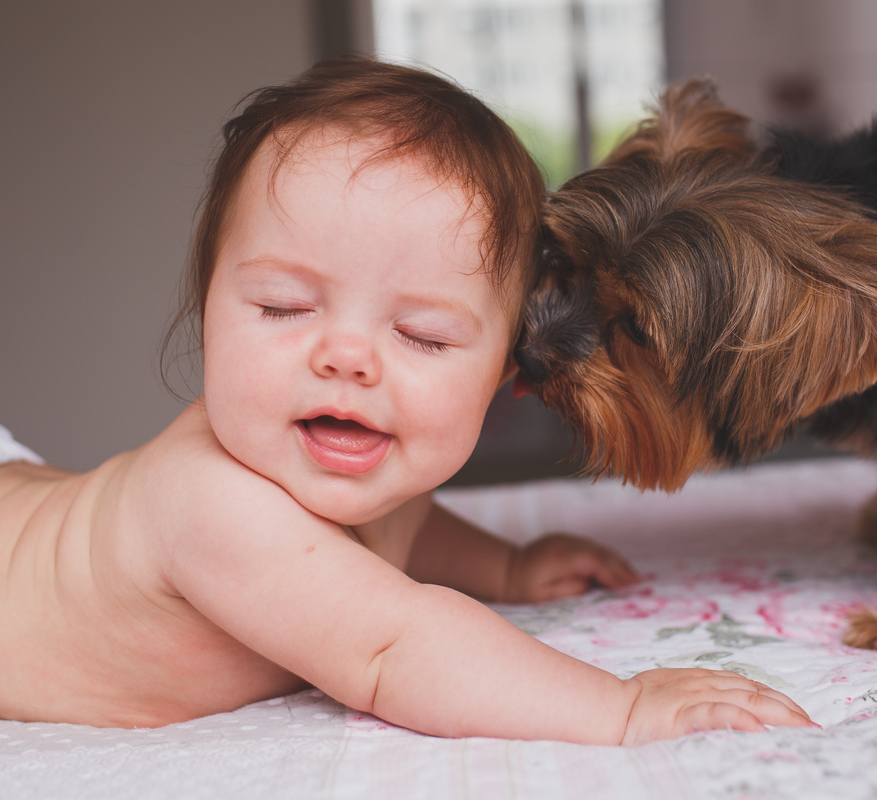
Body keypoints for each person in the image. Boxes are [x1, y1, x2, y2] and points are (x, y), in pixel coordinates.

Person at [0, 60, 815, 744]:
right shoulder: (211, 502)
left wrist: (507, 566)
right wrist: (619, 707)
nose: (347, 358)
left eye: (422, 336)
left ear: (505, 369)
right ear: (205, 303)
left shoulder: (369, 474)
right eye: (284, 307)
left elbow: (398, 533)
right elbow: (398, 644)